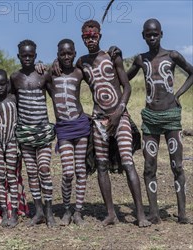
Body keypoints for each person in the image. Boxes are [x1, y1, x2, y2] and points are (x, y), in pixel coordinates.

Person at [55, 20, 151, 227]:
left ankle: (141, 214)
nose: (90, 40)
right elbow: (66, 70)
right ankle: (110, 214)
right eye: (87, 37)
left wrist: (119, 111)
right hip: (98, 120)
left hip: (120, 116)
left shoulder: (112, 56)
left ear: (100, 36)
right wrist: (54, 62)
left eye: (94, 36)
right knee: (101, 165)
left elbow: (126, 86)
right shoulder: (81, 63)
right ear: (82, 38)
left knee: (127, 162)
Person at [120, 18, 193, 224]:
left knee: (177, 165)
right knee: (149, 167)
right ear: (143, 36)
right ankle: (153, 212)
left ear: (161, 35)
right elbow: (124, 79)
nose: (152, 38)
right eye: (148, 34)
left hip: (171, 117)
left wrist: (178, 95)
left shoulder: (172, 56)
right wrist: (114, 61)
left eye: (155, 34)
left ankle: (182, 214)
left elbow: (191, 72)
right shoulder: (141, 60)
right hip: (150, 118)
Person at [12, 40, 56, 227]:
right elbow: (8, 98)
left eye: (31, 55)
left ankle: (49, 212)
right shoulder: (15, 77)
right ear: (19, 56)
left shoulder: (43, 75)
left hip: (43, 132)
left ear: (36, 56)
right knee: (31, 172)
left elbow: (56, 97)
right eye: (24, 55)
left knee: (44, 170)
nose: (27, 58)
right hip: (25, 133)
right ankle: (38, 212)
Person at [47, 39, 89, 226]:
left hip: (80, 125)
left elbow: (101, 82)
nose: (66, 56)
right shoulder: (51, 75)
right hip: (63, 128)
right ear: (57, 54)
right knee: (68, 172)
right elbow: (35, 74)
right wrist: (45, 65)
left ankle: (78, 211)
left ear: (74, 53)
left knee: (81, 170)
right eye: (62, 53)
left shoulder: (80, 73)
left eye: (69, 53)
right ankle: (66, 209)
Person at [0, 69, 20, 228]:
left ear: (8, 83)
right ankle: (3, 209)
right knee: (0, 175)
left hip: (11, 140)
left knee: (11, 175)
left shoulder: (14, 98)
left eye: (3, 84)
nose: (0, 87)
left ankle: (14, 211)